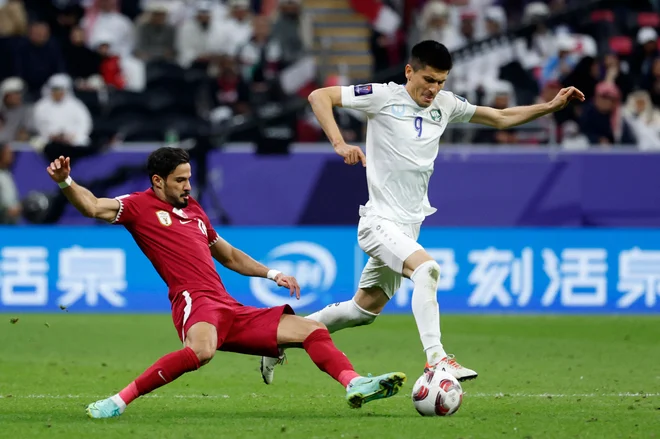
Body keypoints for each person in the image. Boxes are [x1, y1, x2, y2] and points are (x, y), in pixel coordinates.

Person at [261, 40, 584, 384]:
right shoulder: (382, 96)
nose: (434, 89)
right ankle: (437, 360)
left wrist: (550, 106)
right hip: (378, 222)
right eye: (429, 79)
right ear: (409, 72)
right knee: (427, 270)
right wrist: (340, 143)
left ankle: (277, 337)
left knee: (362, 310)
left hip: (408, 227)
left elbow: (501, 117)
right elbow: (319, 96)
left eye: (442, 81)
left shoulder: (445, 104)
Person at [45, 147, 406, 419]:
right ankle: (117, 401)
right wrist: (65, 181)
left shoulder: (196, 211)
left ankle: (354, 383)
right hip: (194, 301)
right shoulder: (138, 207)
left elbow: (230, 256)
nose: (188, 186)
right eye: (180, 180)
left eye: (189, 178)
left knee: (310, 330)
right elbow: (92, 207)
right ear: (158, 181)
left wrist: (271, 274)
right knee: (201, 351)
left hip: (227, 305)